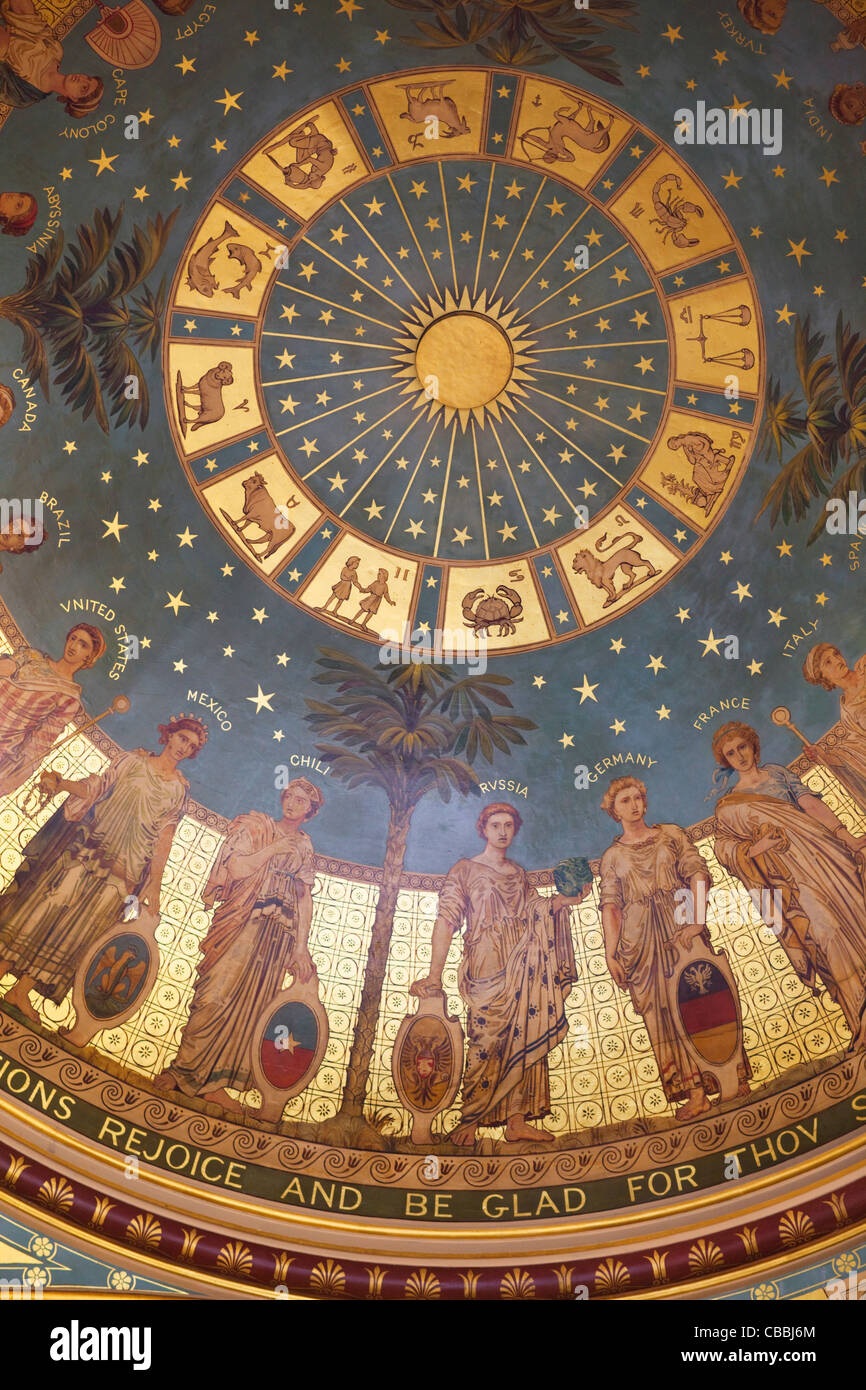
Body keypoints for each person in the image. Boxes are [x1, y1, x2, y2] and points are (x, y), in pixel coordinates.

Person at [0, 713, 207, 1024]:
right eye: (182, 738)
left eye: (191, 746)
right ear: (169, 734)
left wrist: (154, 886)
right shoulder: (133, 761)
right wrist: (62, 784)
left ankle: (21, 991)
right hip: (90, 847)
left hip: (125, 872)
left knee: (78, 930)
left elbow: (164, 839)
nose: (183, 747)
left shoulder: (179, 790)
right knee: (44, 906)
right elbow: (96, 787)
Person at [410, 803, 590, 1145]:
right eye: (496, 825)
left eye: (509, 825)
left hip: (524, 962)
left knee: (524, 1032)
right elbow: (447, 920)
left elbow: (535, 910)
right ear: (484, 829)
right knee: (485, 1041)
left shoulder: (519, 875)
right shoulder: (464, 870)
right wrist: (434, 975)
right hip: (485, 964)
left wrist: (565, 902)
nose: (503, 831)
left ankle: (516, 1121)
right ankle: (470, 1121)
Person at [153, 777, 322, 1116]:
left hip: (277, 934)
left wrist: (301, 947)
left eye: (301, 801)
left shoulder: (304, 846)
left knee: (251, 1004)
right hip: (242, 919)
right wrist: (272, 850)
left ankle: (215, 1084)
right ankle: (182, 1069)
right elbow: (237, 867)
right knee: (216, 992)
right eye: (289, 796)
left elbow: (304, 897)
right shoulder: (255, 827)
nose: (292, 804)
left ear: (310, 812)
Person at [599, 777, 750, 1121]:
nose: (634, 805)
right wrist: (611, 954)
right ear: (613, 809)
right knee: (662, 1014)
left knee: (705, 998)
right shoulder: (612, 857)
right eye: (625, 800)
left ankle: (731, 1074)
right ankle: (695, 1093)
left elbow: (698, 873)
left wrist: (697, 921)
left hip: (681, 927)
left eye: (639, 797)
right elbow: (611, 907)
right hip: (640, 943)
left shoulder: (671, 835)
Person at [711, 721, 866, 1047]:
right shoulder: (729, 806)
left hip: (824, 854)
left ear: (753, 745)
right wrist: (758, 849)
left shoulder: (779, 774)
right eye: (730, 753)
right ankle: (860, 1015)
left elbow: (810, 804)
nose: (739, 755)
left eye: (742, 747)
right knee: (825, 931)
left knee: (859, 915)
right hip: (789, 879)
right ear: (725, 760)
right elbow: (725, 851)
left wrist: (848, 838)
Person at [0, 623, 105, 798]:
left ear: (89, 656)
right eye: (73, 638)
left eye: (83, 645)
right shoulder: (33, 656)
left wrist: (13, 776)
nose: (74, 646)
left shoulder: (69, 697)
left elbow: (38, 743)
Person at [0, 0, 103, 117]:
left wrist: (3, 48)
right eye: (88, 78)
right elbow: (28, 20)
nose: (82, 79)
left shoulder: (24, 95)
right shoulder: (55, 52)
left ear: (74, 98)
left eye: (84, 87)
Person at [802, 642, 866, 810]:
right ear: (823, 677)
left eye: (836, 654)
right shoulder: (847, 711)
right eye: (828, 662)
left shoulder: (864, 666)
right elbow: (858, 749)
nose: (837, 661)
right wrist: (824, 756)